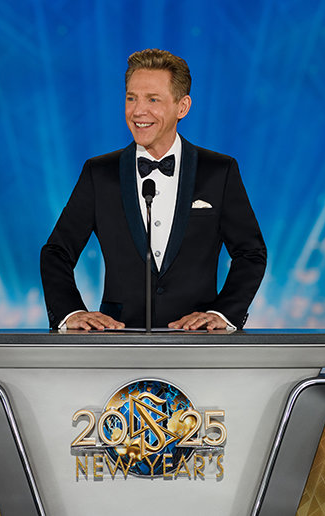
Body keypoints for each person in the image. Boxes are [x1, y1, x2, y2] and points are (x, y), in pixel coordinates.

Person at [41, 49, 266, 331]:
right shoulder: (99, 173)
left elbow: (250, 253)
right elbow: (56, 252)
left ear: (182, 107)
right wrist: (70, 311)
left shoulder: (219, 171)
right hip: (118, 339)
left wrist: (222, 314)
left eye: (152, 99)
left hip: (200, 341)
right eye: (131, 98)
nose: (138, 111)